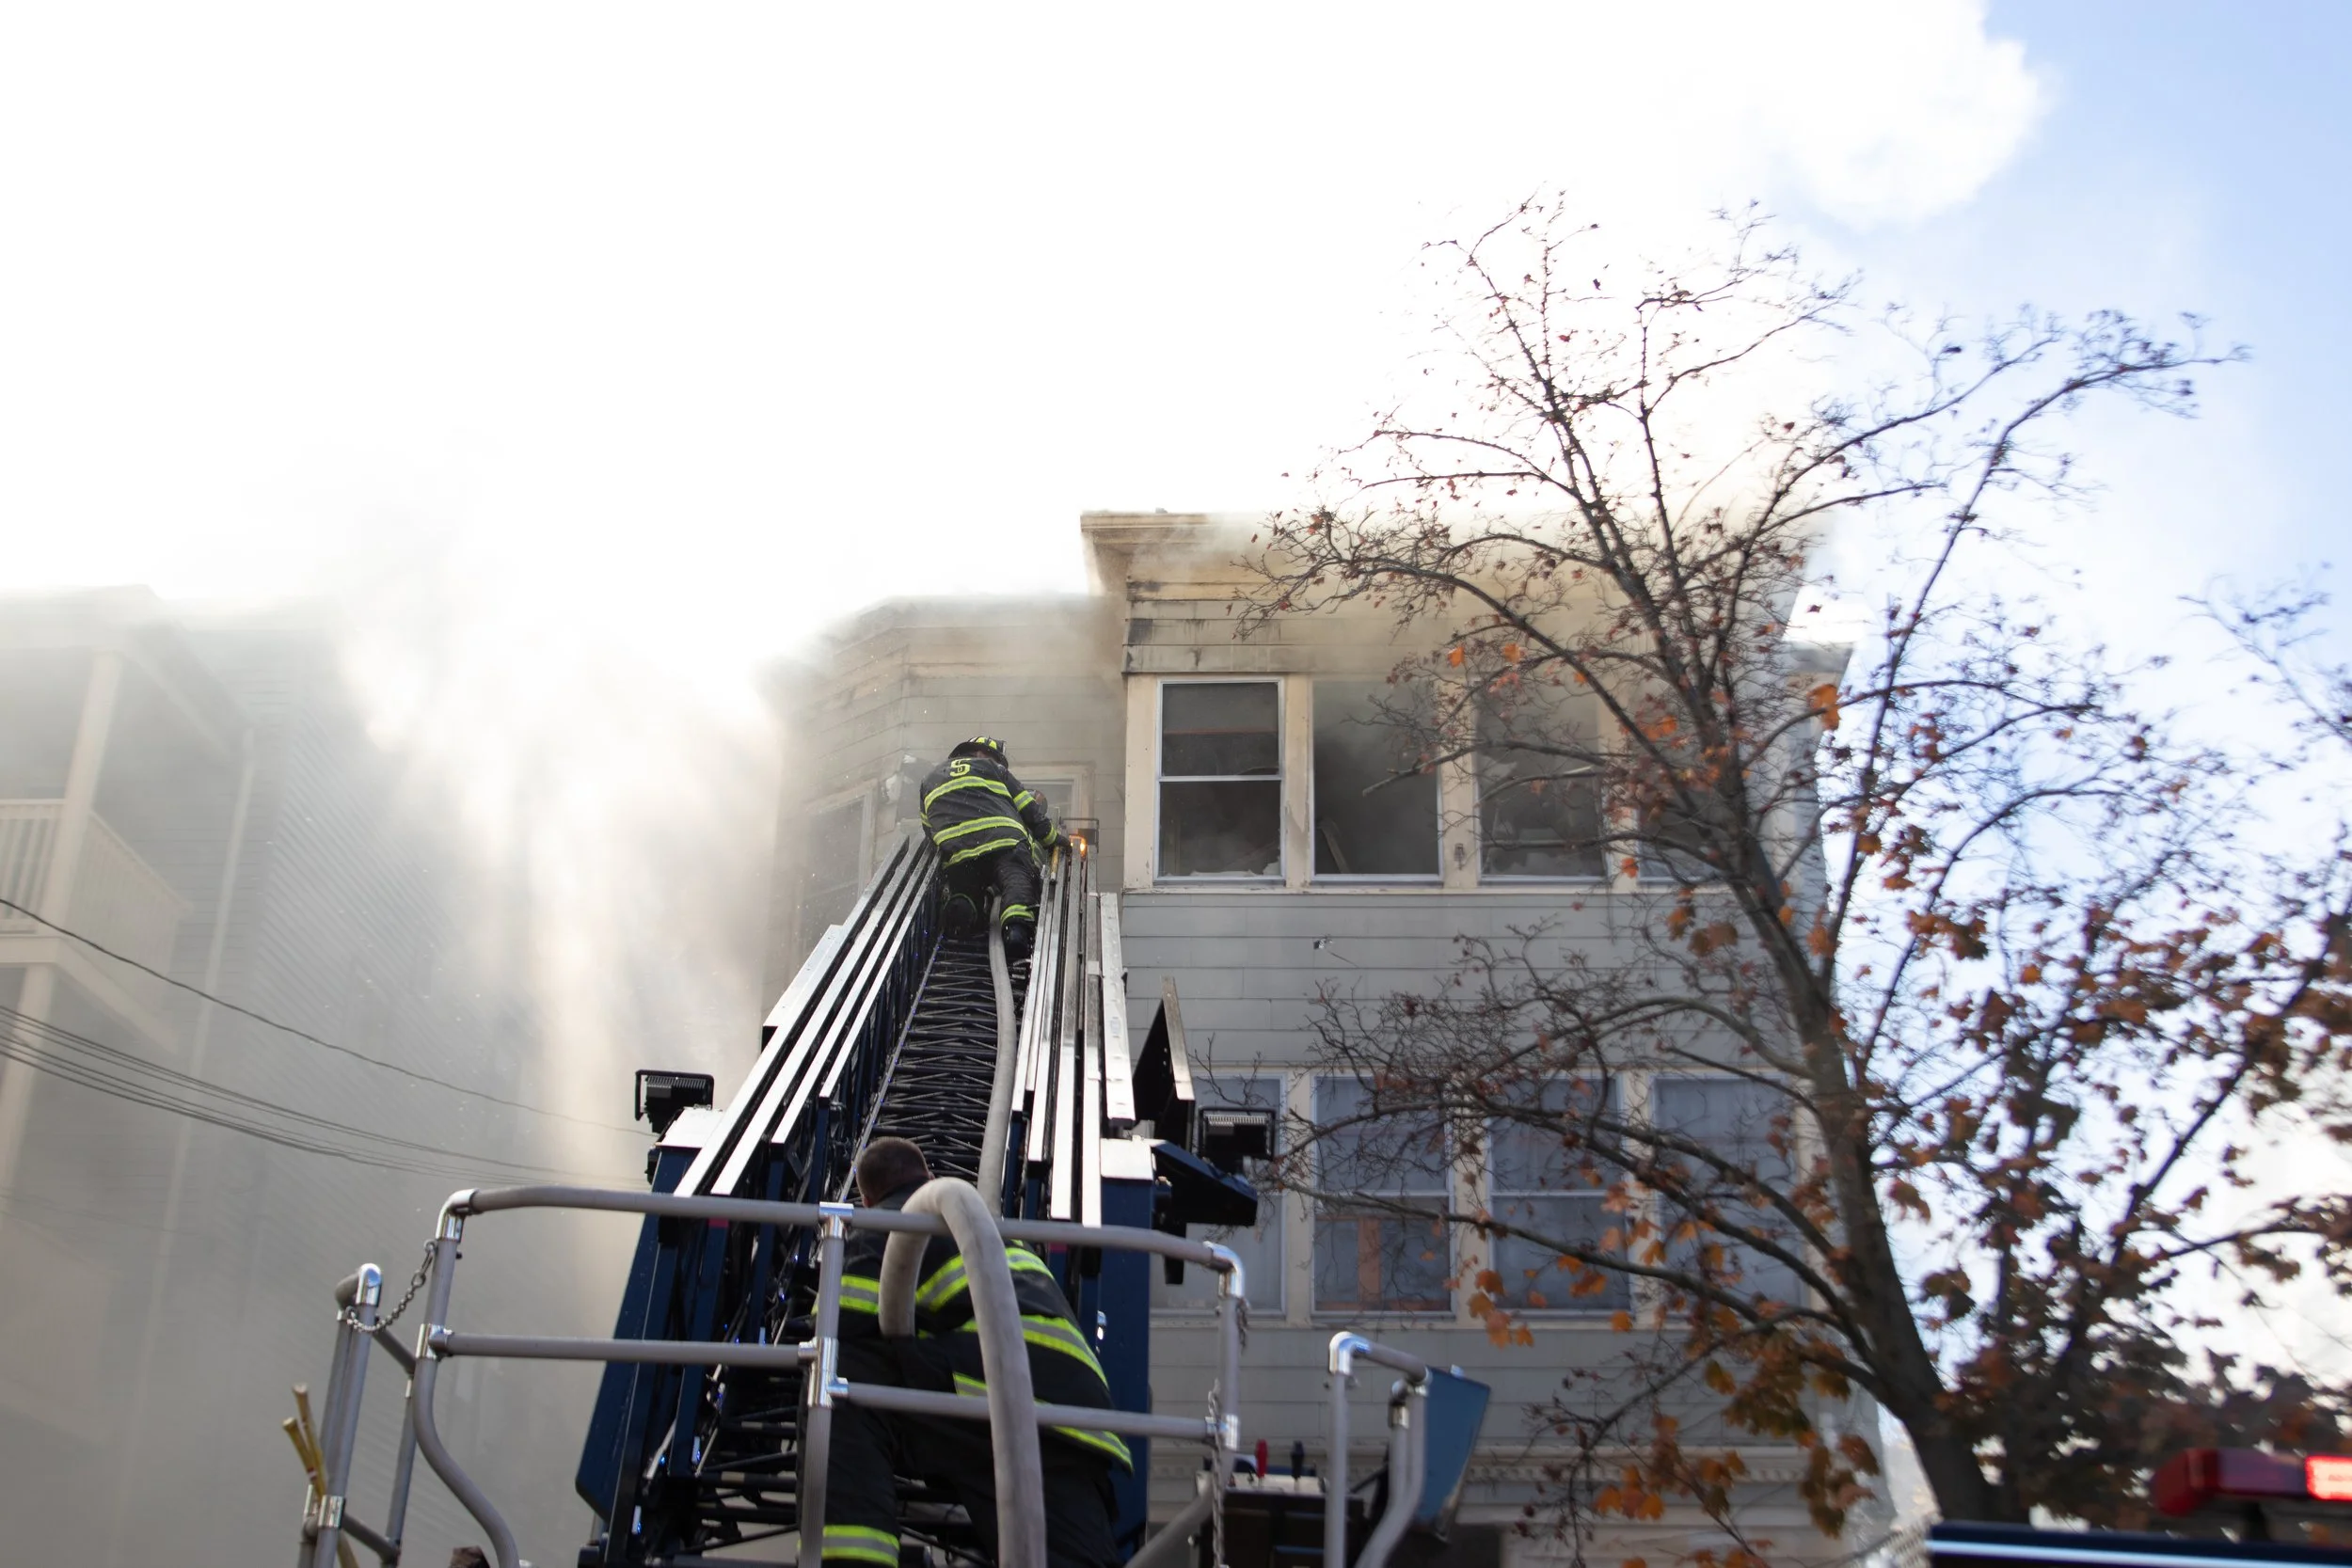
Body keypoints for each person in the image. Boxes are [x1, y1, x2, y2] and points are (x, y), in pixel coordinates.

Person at [817, 1137, 1125, 1568]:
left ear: (867, 1200)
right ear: (928, 1176)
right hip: (1076, 1416)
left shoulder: (884, 1226)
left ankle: (852, 1560)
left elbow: (839, 1322)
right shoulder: (1004, 1235)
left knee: (835, 1381)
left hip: (990, 1382)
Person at [917, 736, 1062, 961]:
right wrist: (1053, 840)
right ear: (982, 753)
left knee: (966, 886)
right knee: (1017, 879)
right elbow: (1028, 808)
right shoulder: (994, 769)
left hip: (960, 852)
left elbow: (929, 828)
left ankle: (963, 909)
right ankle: (1016, 930)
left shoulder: (929, 779)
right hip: (1004, 842)